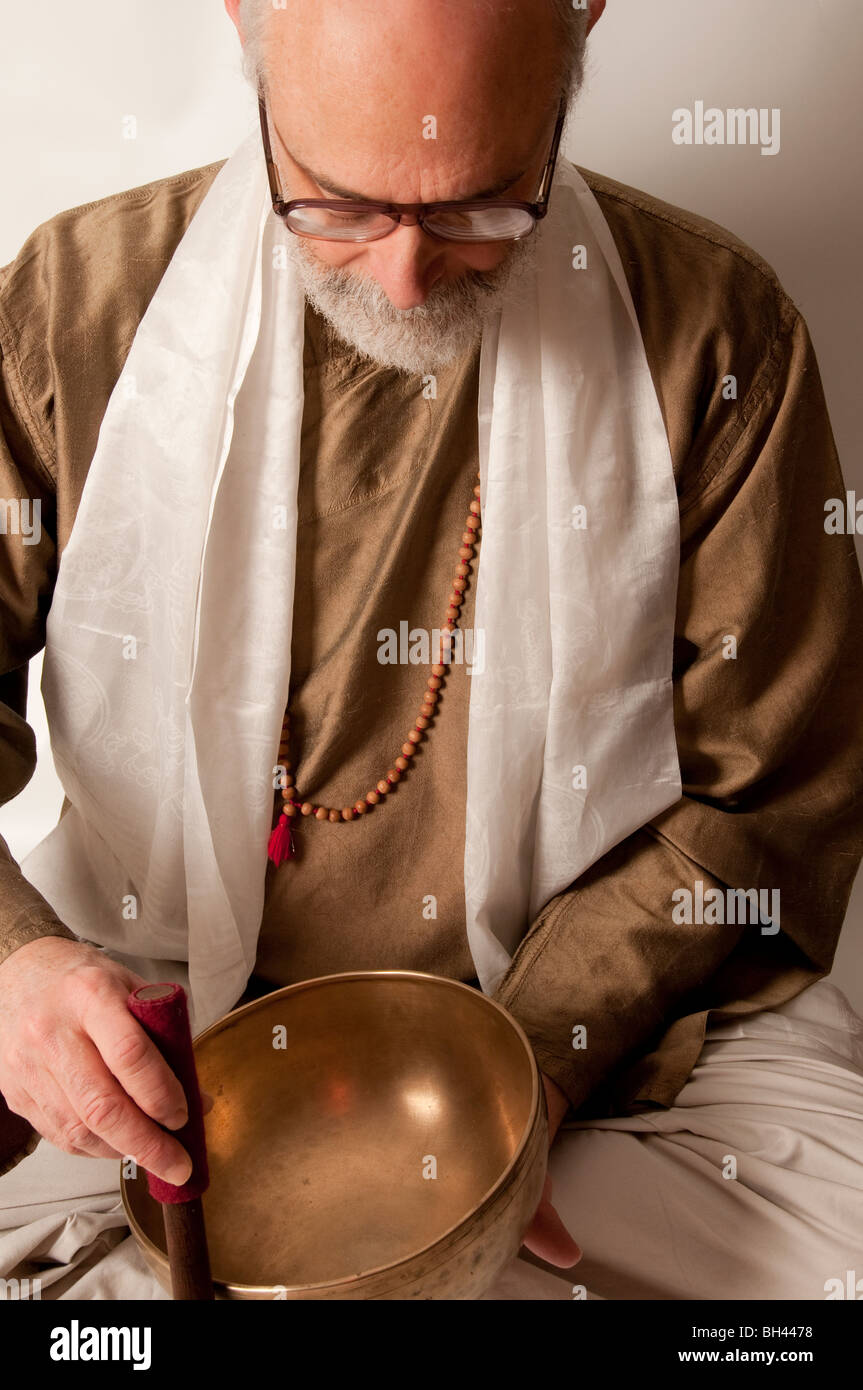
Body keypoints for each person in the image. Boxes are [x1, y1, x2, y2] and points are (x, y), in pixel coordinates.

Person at [0, 0, 861, 1301]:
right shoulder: (75, 308)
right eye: (334, 204)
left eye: (479, 208)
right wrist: (16, 967)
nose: (402, 277)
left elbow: (763, 802)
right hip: (162, 1023)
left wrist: (522, 1078)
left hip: (610, 1051)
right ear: (246, 22)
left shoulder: (721, 338)